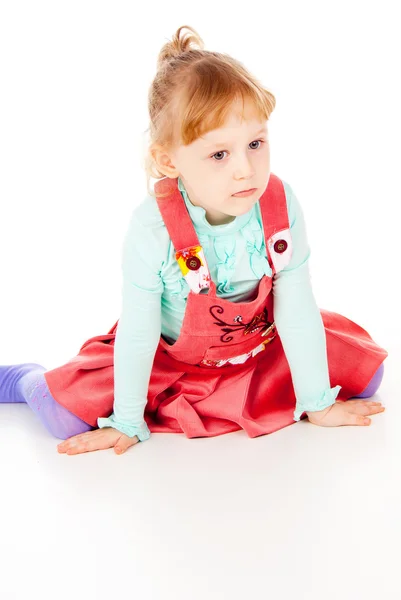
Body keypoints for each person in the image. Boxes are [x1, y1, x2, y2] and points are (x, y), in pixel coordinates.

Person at [0, 25, 387, 456]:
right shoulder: (153, 229)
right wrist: (127, 419)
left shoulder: (279, 203)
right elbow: (139, 330)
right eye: (219, 154)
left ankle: (287, 391)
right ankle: (24, 379)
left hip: (258, 349)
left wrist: (317, 401)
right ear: (169, 160)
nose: (246, 169)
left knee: (365, 375)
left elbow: (295, 302)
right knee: (63, 416)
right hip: (168, 362)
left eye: (256, 143)